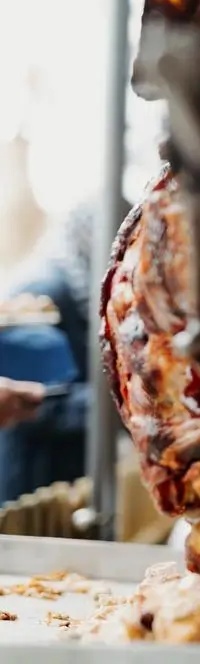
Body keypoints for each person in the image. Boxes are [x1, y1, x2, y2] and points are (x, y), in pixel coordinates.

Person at [0, 200, 109, 503]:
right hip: (33, 476)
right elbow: (37, 400)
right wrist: (112, 404)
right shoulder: (41, 291)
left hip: (70, 469)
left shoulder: (83, 292)